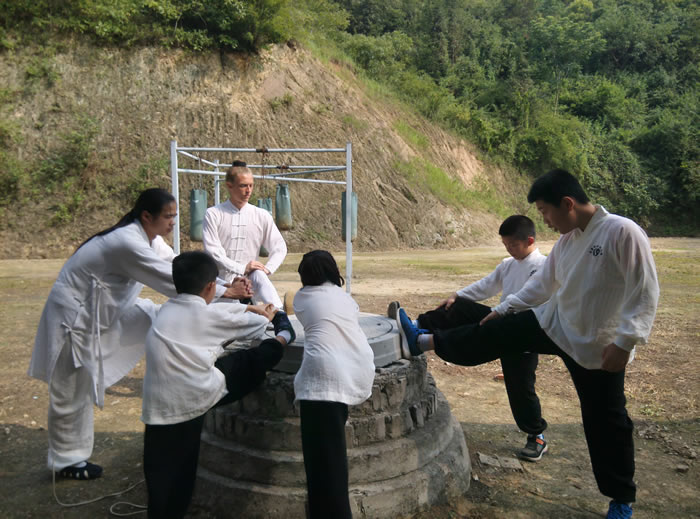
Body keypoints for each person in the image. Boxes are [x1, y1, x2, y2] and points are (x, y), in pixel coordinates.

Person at [397, 170, 659, 519]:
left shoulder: (621, 232)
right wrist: (504, 309)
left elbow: (645, 291)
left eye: (546, 211)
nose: (545, 221)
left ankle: (621, 499)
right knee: (497, 332)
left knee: (606, 422)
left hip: (599, 345)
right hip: (555, 323)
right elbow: (542, 287)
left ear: (567, 203)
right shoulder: (567, 242)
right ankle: (423, 340)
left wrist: (624, 343)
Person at [28, 188, 250, 480]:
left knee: (156, 315)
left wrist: (223, 284)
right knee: (70, 390)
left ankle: (194, 342)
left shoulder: (150, 240)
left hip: (105, 313)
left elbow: (181, 265)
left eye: (174, 216)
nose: (172, 222)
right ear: (147, 216)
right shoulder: (126, 242)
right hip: (73, 319)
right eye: (168, 216)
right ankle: (67, 461)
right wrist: (226, 292)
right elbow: (172, 278)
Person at [141, 250, 295, 519]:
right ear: (211, 286)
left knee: (161, 481)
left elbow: (216, 312)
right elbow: (255, 324)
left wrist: (247, 306)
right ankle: (283, 338)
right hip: (193, 399)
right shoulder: (208, 317)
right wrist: (269, 316)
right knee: (249, 360)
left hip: (156, 409)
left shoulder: (166, 310)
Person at [393, 215, 549, 461]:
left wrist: (501, 310)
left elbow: (529, 297)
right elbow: (487, 285)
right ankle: (416, 327)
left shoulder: (543, 266)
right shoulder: (508, 264)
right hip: (499, 320)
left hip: (522, 333)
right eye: (505, 245)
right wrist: (457, 294)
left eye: (513, 245)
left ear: (530, 241)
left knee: (520, 388)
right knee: (458, 306)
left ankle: (536, 435)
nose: (509, 249)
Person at [293, 250, 375, 519]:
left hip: (322, 380)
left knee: (324, 466)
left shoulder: (302, 298)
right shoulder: (346, 298)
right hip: (356, 368)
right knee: (331, 457)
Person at [203, 160, 287, 308]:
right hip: (220, 284)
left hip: (251, 284)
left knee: (258, 275)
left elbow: (279, 247)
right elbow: (213, 252)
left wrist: (268, 269)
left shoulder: (261, 215)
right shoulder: (213, 214)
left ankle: (278, 313)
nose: (248, 190)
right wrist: (242, 268)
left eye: (251, 185)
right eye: (243, 186)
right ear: (229, 186)